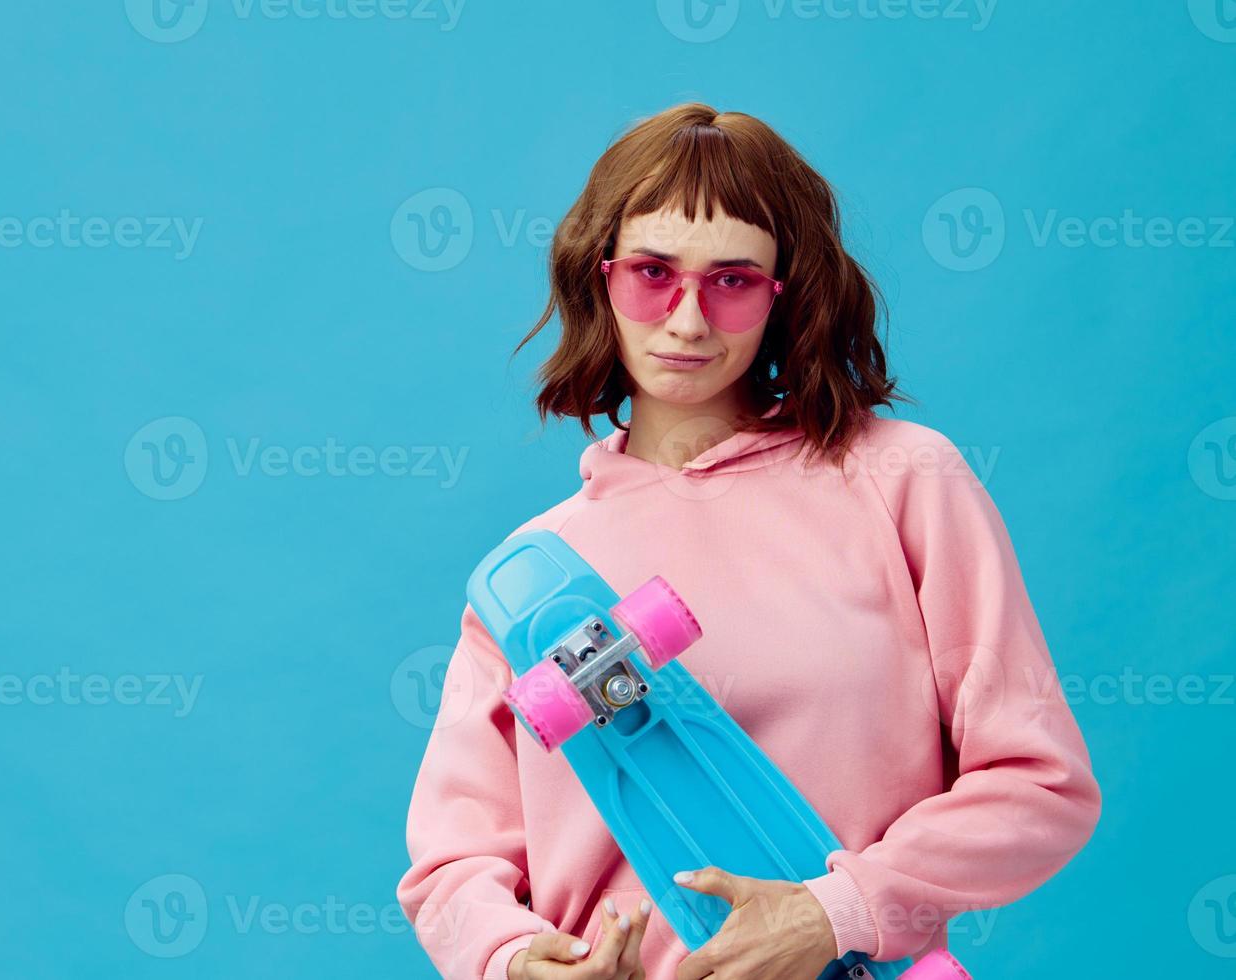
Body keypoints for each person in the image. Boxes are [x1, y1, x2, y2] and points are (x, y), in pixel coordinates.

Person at [395, 102, 1101, 980]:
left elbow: (1041, 785)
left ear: (785, 294)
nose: (687, 320)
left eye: (731, 281)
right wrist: (510, 960)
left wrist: (834, 913)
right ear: (600, 279)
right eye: (652, 273)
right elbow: (452, 867)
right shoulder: (526, 582)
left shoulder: (903, 482)